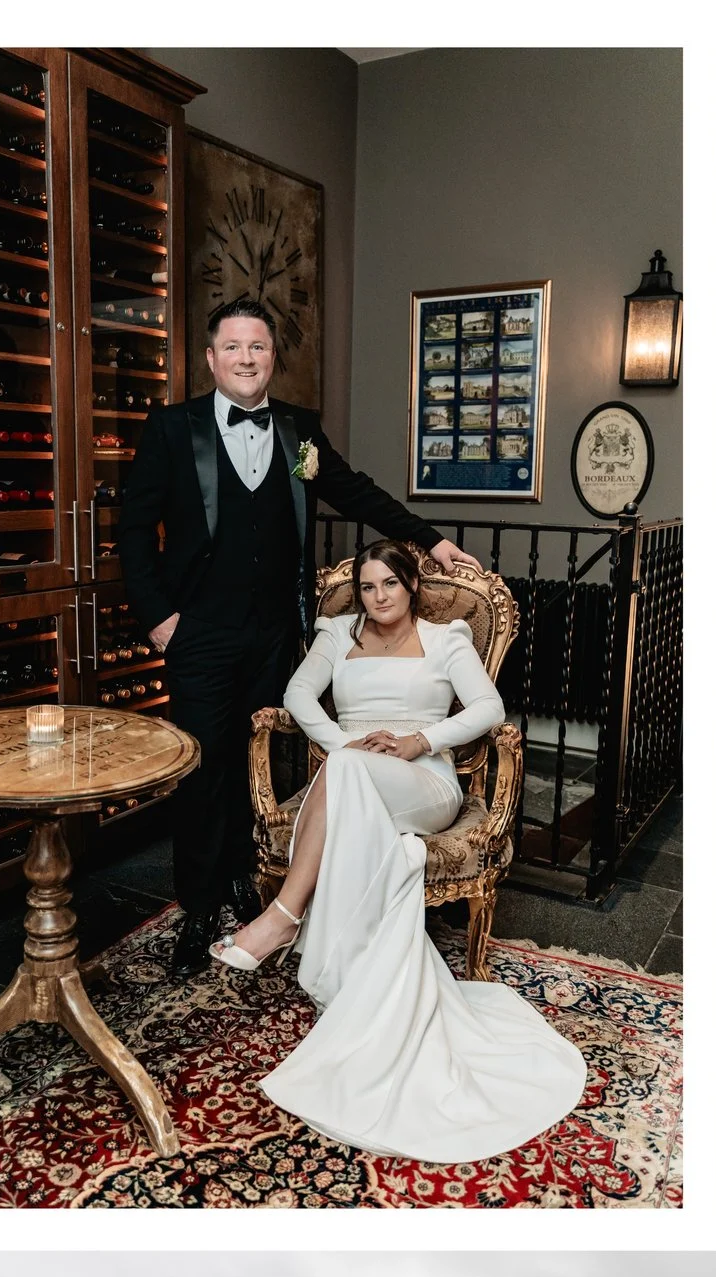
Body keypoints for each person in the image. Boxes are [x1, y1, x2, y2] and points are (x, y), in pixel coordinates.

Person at [119, 296, 472, 978]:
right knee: (201, 767)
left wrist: (430, 539)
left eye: (258, 347)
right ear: (212, 357)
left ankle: (257, 896)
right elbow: (135, 533)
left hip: (276, 633)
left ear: (271, 357)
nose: (246, 359)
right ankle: (199, 905)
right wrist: (161, 619)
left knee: (266, 762)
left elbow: (356, 491)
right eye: (233, 348)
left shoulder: (298, 431)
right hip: (199, 630)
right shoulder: (171, 428)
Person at [209, 539, 585, 1165]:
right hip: (352, 774)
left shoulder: (448, 639)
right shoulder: (335, 633)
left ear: (411, 586)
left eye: (389, 584)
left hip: (423, 782)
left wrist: (419, 740)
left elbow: (489, 708)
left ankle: (282, 917)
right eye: (367, 586)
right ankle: (305, 931)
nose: (378, 596)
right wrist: (343, 745)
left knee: (347, 774)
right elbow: (300, 698)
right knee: (347, 772)